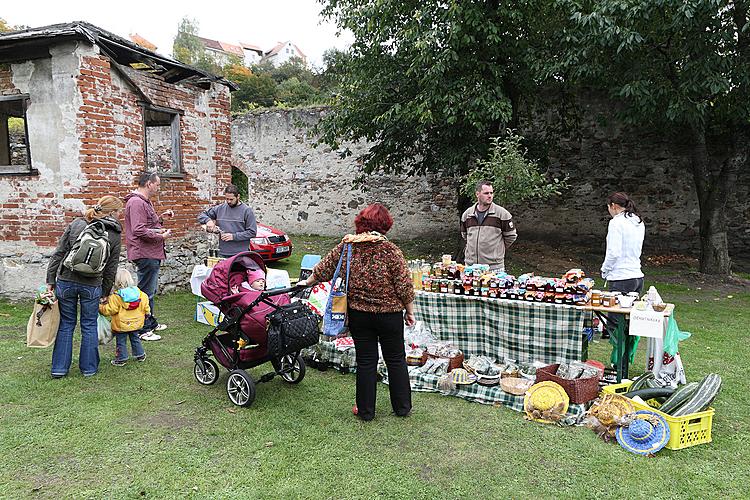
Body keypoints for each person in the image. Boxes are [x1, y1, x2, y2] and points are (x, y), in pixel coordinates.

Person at [300, 203, 415, 422]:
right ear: (385, 225)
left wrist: (307, 282)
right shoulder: (391, 251)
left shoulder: (348, 246)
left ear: (361, 223)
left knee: (366, 361)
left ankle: (365, 411)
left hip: (360, 314)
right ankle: (402, 407)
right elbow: (404, 285)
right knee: (396, 359)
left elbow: (323, 269)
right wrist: (410, 311)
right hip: (389, 315)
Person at [46, 195, 123, 378]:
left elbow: (59, 253)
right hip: (92, 284)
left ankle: (59, 368)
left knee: (66, 324)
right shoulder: (114, 233)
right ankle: (89, 369)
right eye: (119, 212)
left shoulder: (77, 224)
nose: (120, 215)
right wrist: (105, 292)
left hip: (66, 280)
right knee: (88, 325)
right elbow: (111, 267)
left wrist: (50, 280)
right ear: (111, 212)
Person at [124, 171, 174, 341]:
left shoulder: (144, 202)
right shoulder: (136, 202)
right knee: (145, 292)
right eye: (157, 184)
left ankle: (150, 322)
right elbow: (138, 230)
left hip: (150, 252)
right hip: (145, 253)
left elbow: (145, 225)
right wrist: (161, 236)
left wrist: (160, 218)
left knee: (149, 291)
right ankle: (143, 329)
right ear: (148, 184)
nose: (158, 188)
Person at [601, 192, 646, 342]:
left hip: (621, 277)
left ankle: (619, 362)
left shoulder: (616, 223)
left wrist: (605, 269)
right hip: (637, 275)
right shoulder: (638, 221)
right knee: (629, 325)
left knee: (616, 326)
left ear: (613, 206)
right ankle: (623, 360)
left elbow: (614, 252)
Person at [460, 180, 518, 272]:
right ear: (477, 194)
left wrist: (496, 250)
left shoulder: (502, 214)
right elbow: (465, 235)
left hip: (494, 268)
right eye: (486, 193)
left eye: (491, 193)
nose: (490, 196)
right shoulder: (467, 215)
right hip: (471, 266)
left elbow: (511, 236)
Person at [99, 268, 150, 366]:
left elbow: (110, 310)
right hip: (136, 323)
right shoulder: (140, 294)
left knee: (121, 341)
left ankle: (121, 358)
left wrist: (100, 307)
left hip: (121, 325)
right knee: (135, 338)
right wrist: (147, 313)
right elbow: (146, 306)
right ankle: (140, 355)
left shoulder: (116, 297)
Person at [197, 185, 257, 258]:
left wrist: (233, 236)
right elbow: (201, 215)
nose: (228, 201)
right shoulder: (220, 208)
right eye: (227, 199)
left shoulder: (247, 211)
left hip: (241, 254)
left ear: (238, 196)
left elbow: (252, 232)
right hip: (222, 253)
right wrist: (208, 221)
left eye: (231, 199)